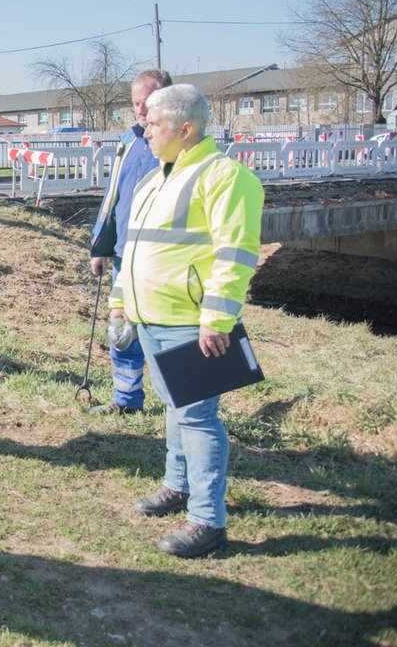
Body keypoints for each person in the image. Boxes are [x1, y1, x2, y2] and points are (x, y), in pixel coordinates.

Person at [108, 84, 263, 558]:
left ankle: (207, 520)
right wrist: (120, 302)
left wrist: (216, 318)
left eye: (153, 124)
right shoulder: (155, 178)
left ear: (186, 129)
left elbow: (234, 256)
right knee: (176, 408)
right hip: (151, 317)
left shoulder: (223, 177)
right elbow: (132, 249)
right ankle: (177, 486)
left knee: (197, 417)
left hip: (191, 322)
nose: (145, 131)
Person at [88, 68, 172, 415]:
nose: (140, 109)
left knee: (162, 336)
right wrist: (100, 246)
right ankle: (126, 401)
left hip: (162, 260)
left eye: (147, 101)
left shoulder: (176, 146)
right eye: (136, 102)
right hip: (125, 257)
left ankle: (176, 406)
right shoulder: (128, 143)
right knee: (122, 333)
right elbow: (113, 199)